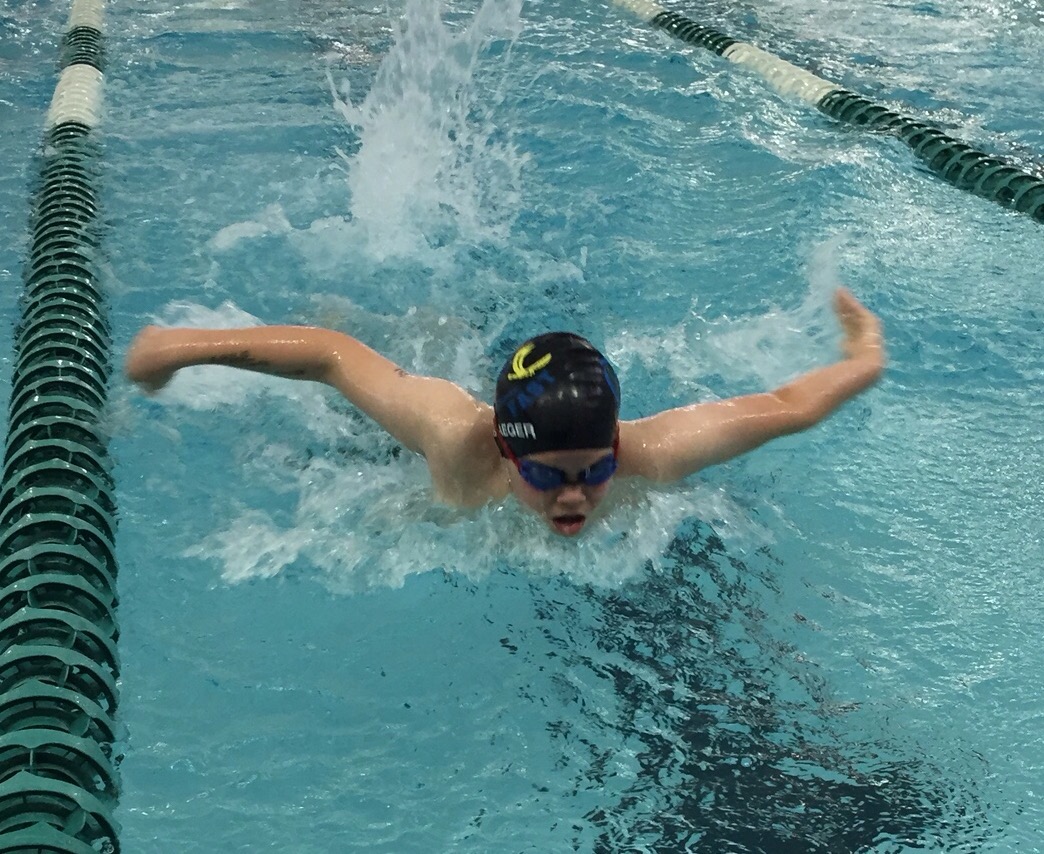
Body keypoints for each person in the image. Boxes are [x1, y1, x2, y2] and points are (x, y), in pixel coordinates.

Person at [125, 287, 884, 537]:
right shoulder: (453, 433)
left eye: (594, 471)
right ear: (507, 448)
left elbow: (786, 408)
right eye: (551, 477)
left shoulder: (647, 454)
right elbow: (329, 355)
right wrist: (180, 348)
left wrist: (864, 358)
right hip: (402, 459)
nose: (577, 495)